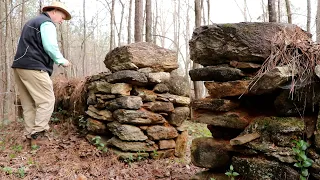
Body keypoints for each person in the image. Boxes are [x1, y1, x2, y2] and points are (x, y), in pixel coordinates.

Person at [11, 1, 72, 146]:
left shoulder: (31, 22)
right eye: (62, 17)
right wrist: (61, 60)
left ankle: (30, 136)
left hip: (19, 66)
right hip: (34, 66)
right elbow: (50, 45)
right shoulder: (46, 23)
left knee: (29, 104)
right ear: (55, 11)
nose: (62, 21)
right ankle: (39, 135)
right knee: (47, 100)